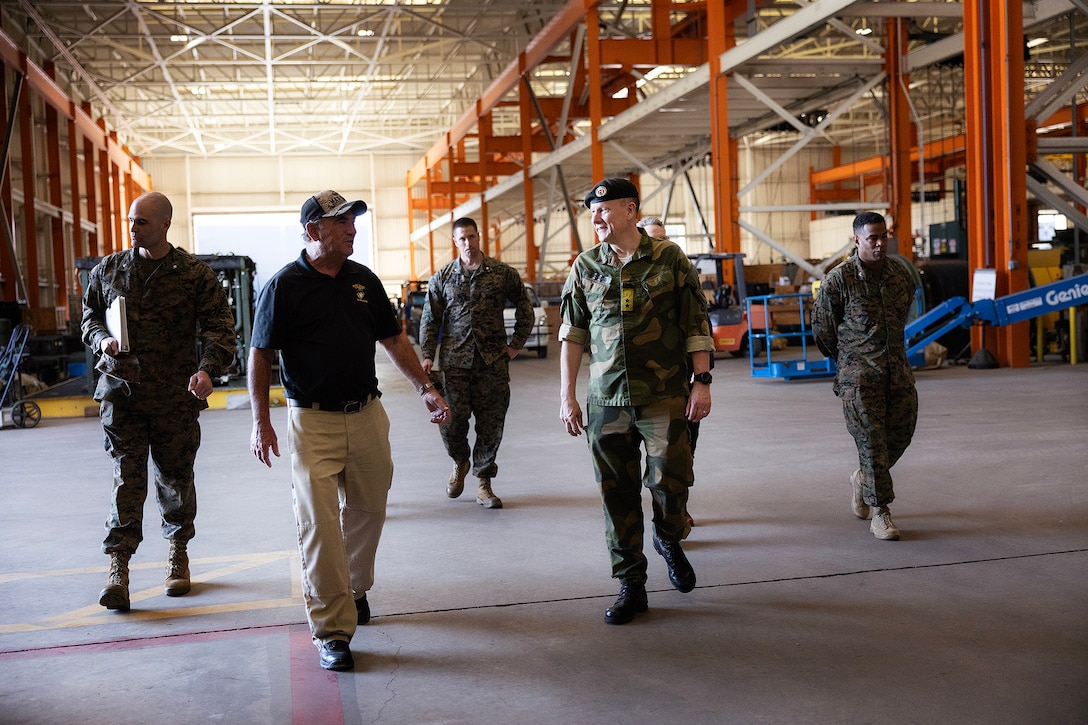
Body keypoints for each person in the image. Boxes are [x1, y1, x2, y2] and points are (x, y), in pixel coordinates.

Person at [247, 190, 450, 672]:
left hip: (366, 415)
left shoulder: (363, 280)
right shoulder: (283, 286)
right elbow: (260, 354)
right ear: (314, 231)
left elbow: (394, 339)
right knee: (317, 527)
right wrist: (260, 421)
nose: (352, 229)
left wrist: (425, 387)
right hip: (310, 420)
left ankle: (352, 590)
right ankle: (332, 629)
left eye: (354, 220)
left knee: (367, 510)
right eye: (341, 222)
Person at [559, 178, 714, 625]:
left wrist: (701, 381)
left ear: (629, 210)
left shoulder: (669, 259)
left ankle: (668, 535)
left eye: (604, 210)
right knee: (616, 495)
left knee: (671, 482)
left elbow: (695, 323)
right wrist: (567, 395)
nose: (596, 218)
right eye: (592, 212)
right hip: (606, 399)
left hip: (664, 394)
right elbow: (572, 336)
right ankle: (631, 584)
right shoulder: (585, 266)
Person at [81, 191, 237, 612]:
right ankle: (118, 568)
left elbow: (220, 328)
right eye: (131, 221)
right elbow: (89, 316)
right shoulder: (109, 269)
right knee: (125, 482)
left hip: (175, 397)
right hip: (121, 396)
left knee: (175, 478)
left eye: (142, 222)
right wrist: (101, 338)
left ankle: (177, 555)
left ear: (165, 224)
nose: (132, 229)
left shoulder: (193, 275)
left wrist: (207, 368)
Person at [812, 211, 918, 541]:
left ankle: (862, 478)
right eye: (872, 237)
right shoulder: (838, 280)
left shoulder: (900, 275)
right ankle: (880, 511)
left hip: (897, 372)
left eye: (883, 236)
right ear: (856, 239)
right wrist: (849, 362)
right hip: (858, 378)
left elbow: (904, 313)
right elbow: (822, 330)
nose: (880, 243)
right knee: (872, 442)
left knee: (901, 434)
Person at [419, 217, 534, 509]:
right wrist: (428, 354)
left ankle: (484, 483)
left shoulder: (501, 273)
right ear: (455, 242)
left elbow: (524, 306)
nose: (468, 244)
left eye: (472, 237)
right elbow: (430, 319)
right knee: (451, 422)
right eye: (462, 239)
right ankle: (460, 462)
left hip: (492, 363)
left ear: (479, 237)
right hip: (454, 364)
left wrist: (516, 344)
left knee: (491, 424)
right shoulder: (442, 277)